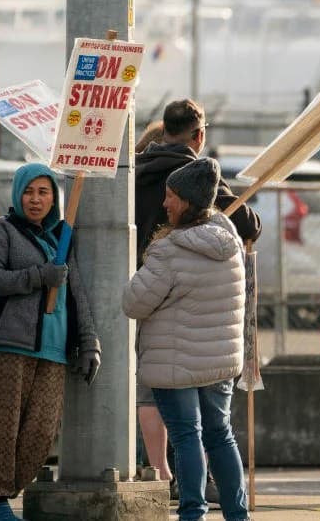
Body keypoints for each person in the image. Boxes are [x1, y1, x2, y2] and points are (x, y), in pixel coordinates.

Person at [134, 99, 260, 498]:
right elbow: (249, 224)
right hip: (200, 318)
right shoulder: (198, 179)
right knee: (210, 429)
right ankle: (216, 499)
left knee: (151, 394)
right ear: (199, 135)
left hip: (149, 297)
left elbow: (132, 302)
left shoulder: (135, 170)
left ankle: (160, 476)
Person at [0, 163, 101, 521]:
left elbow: (77, 293)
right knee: (1, 426)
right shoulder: (0, 230)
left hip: (54, 351)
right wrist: (38, 276)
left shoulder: (62, 237)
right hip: (8, 344)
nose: (35, 199)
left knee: (41, 434)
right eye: (29, 192)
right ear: (17, 194)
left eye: (43, 192)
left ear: (54, 198)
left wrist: (89, 342)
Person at [123, 157, 249, 521]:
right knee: (220, 435)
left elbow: (133, 302)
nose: (165, 203)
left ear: (187, 201)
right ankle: (237, 514)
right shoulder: (229, 242)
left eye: (171, 196)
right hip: (220, 361)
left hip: (174, 362)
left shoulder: (169, 250)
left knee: (186, 437)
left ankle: (193, 513)